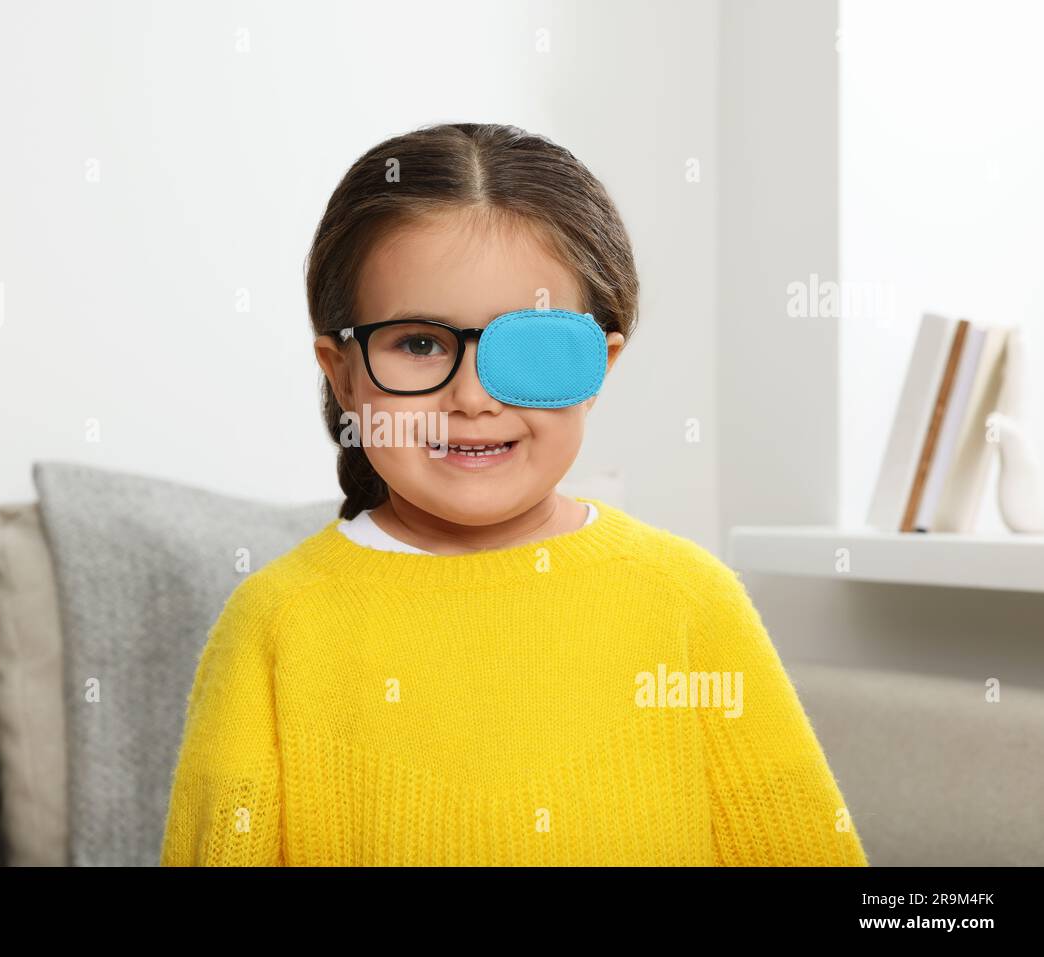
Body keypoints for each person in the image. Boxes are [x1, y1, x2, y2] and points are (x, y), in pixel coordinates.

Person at [159, 122, 869, 866]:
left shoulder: (692, 603)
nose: (472, 397)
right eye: (420, 343)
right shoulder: (274, 627)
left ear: (598, 366)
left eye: (526, 347)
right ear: (343, 374)